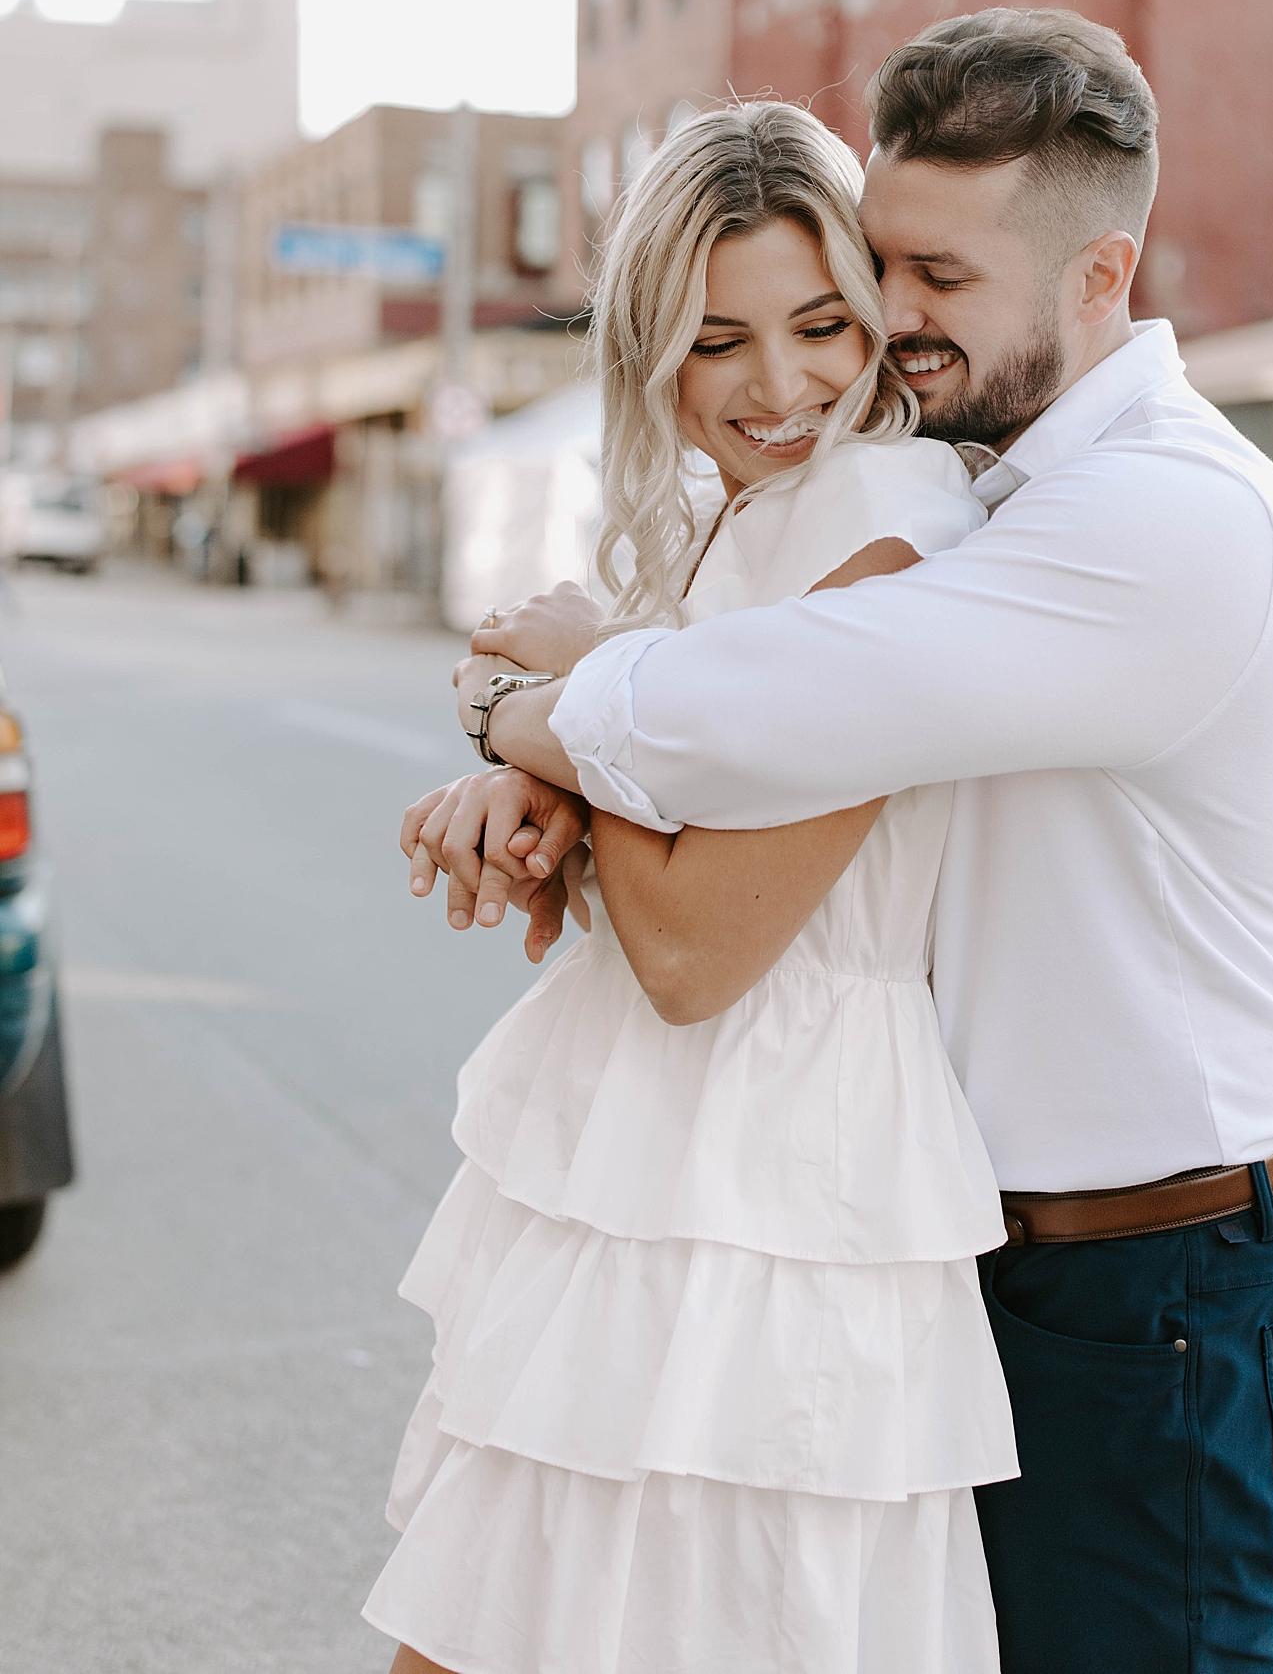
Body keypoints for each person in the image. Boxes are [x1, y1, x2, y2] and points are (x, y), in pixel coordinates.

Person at [446, 8, 1273, 1674]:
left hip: (1160, 1284)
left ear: (1103, 273)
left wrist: (524, 705)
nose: (892, 324)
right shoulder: (981, 480)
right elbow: (738, 720)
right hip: (988, 1251)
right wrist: (556, 757)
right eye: (889, 262)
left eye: (936, 280)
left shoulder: (1157, 521)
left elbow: (756, 720)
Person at [366, 101, 1019, 1674]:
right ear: (652, 346)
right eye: (718, 340)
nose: (781, 386)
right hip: (665, 1158)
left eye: (818, 324)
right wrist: (542, 782)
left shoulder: (885, 527)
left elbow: (693, 945)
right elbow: (660, 811)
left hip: (768, 1175)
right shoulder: (748, 519)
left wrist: (518, 716)